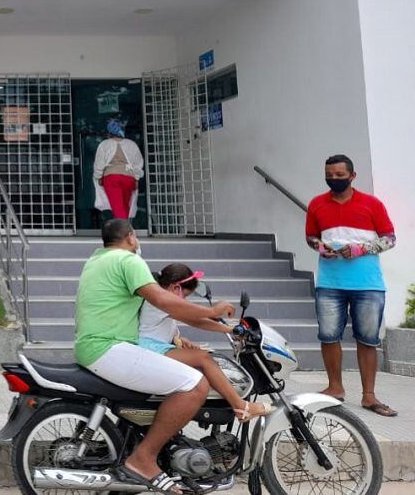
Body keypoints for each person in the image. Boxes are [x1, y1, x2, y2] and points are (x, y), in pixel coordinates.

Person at [75, 219, 234, 495]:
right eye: (136, 237)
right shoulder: (128, 260)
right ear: (130, 237)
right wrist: (212, 312)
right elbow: (162, 301)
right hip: (110, 348)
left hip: (96, 346)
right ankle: (143, 459)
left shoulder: (97, 259)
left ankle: (146, 449)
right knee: (196, 384)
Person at [305, 154, 397, 417]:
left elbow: (390, 239)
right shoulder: (316, 204)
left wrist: (361, 249)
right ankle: (335, 388)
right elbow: (311, 236)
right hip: (329, 282)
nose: (334, 179)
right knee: (328, 335)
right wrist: (320, 247)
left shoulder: (372, 204)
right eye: (329, 175)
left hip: (367, 284)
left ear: (352, 176)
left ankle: (369, 395)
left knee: (367, 339)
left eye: (339, 175)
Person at [139, 263, 274, 422]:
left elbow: (168, 323)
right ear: (175, 288)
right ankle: (241, 407)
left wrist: (179, 339)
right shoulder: (162, 300)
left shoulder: (160, 298)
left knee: (210, 358)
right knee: (205, 359)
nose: (185, 300)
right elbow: (195, 320)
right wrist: (228, 327)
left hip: (157, 347)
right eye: (185, 296)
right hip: (152, 350)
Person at [93, 119, 144, 220]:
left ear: (109, 132)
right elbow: (138, 163)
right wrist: (137, 178)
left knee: (117, 206)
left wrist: (98, 176)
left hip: (111, 178)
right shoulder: (131, 144)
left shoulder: (104, 144)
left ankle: (122, 232)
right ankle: (125, 229)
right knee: (125, 205)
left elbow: (99, 164)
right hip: (128, 178)